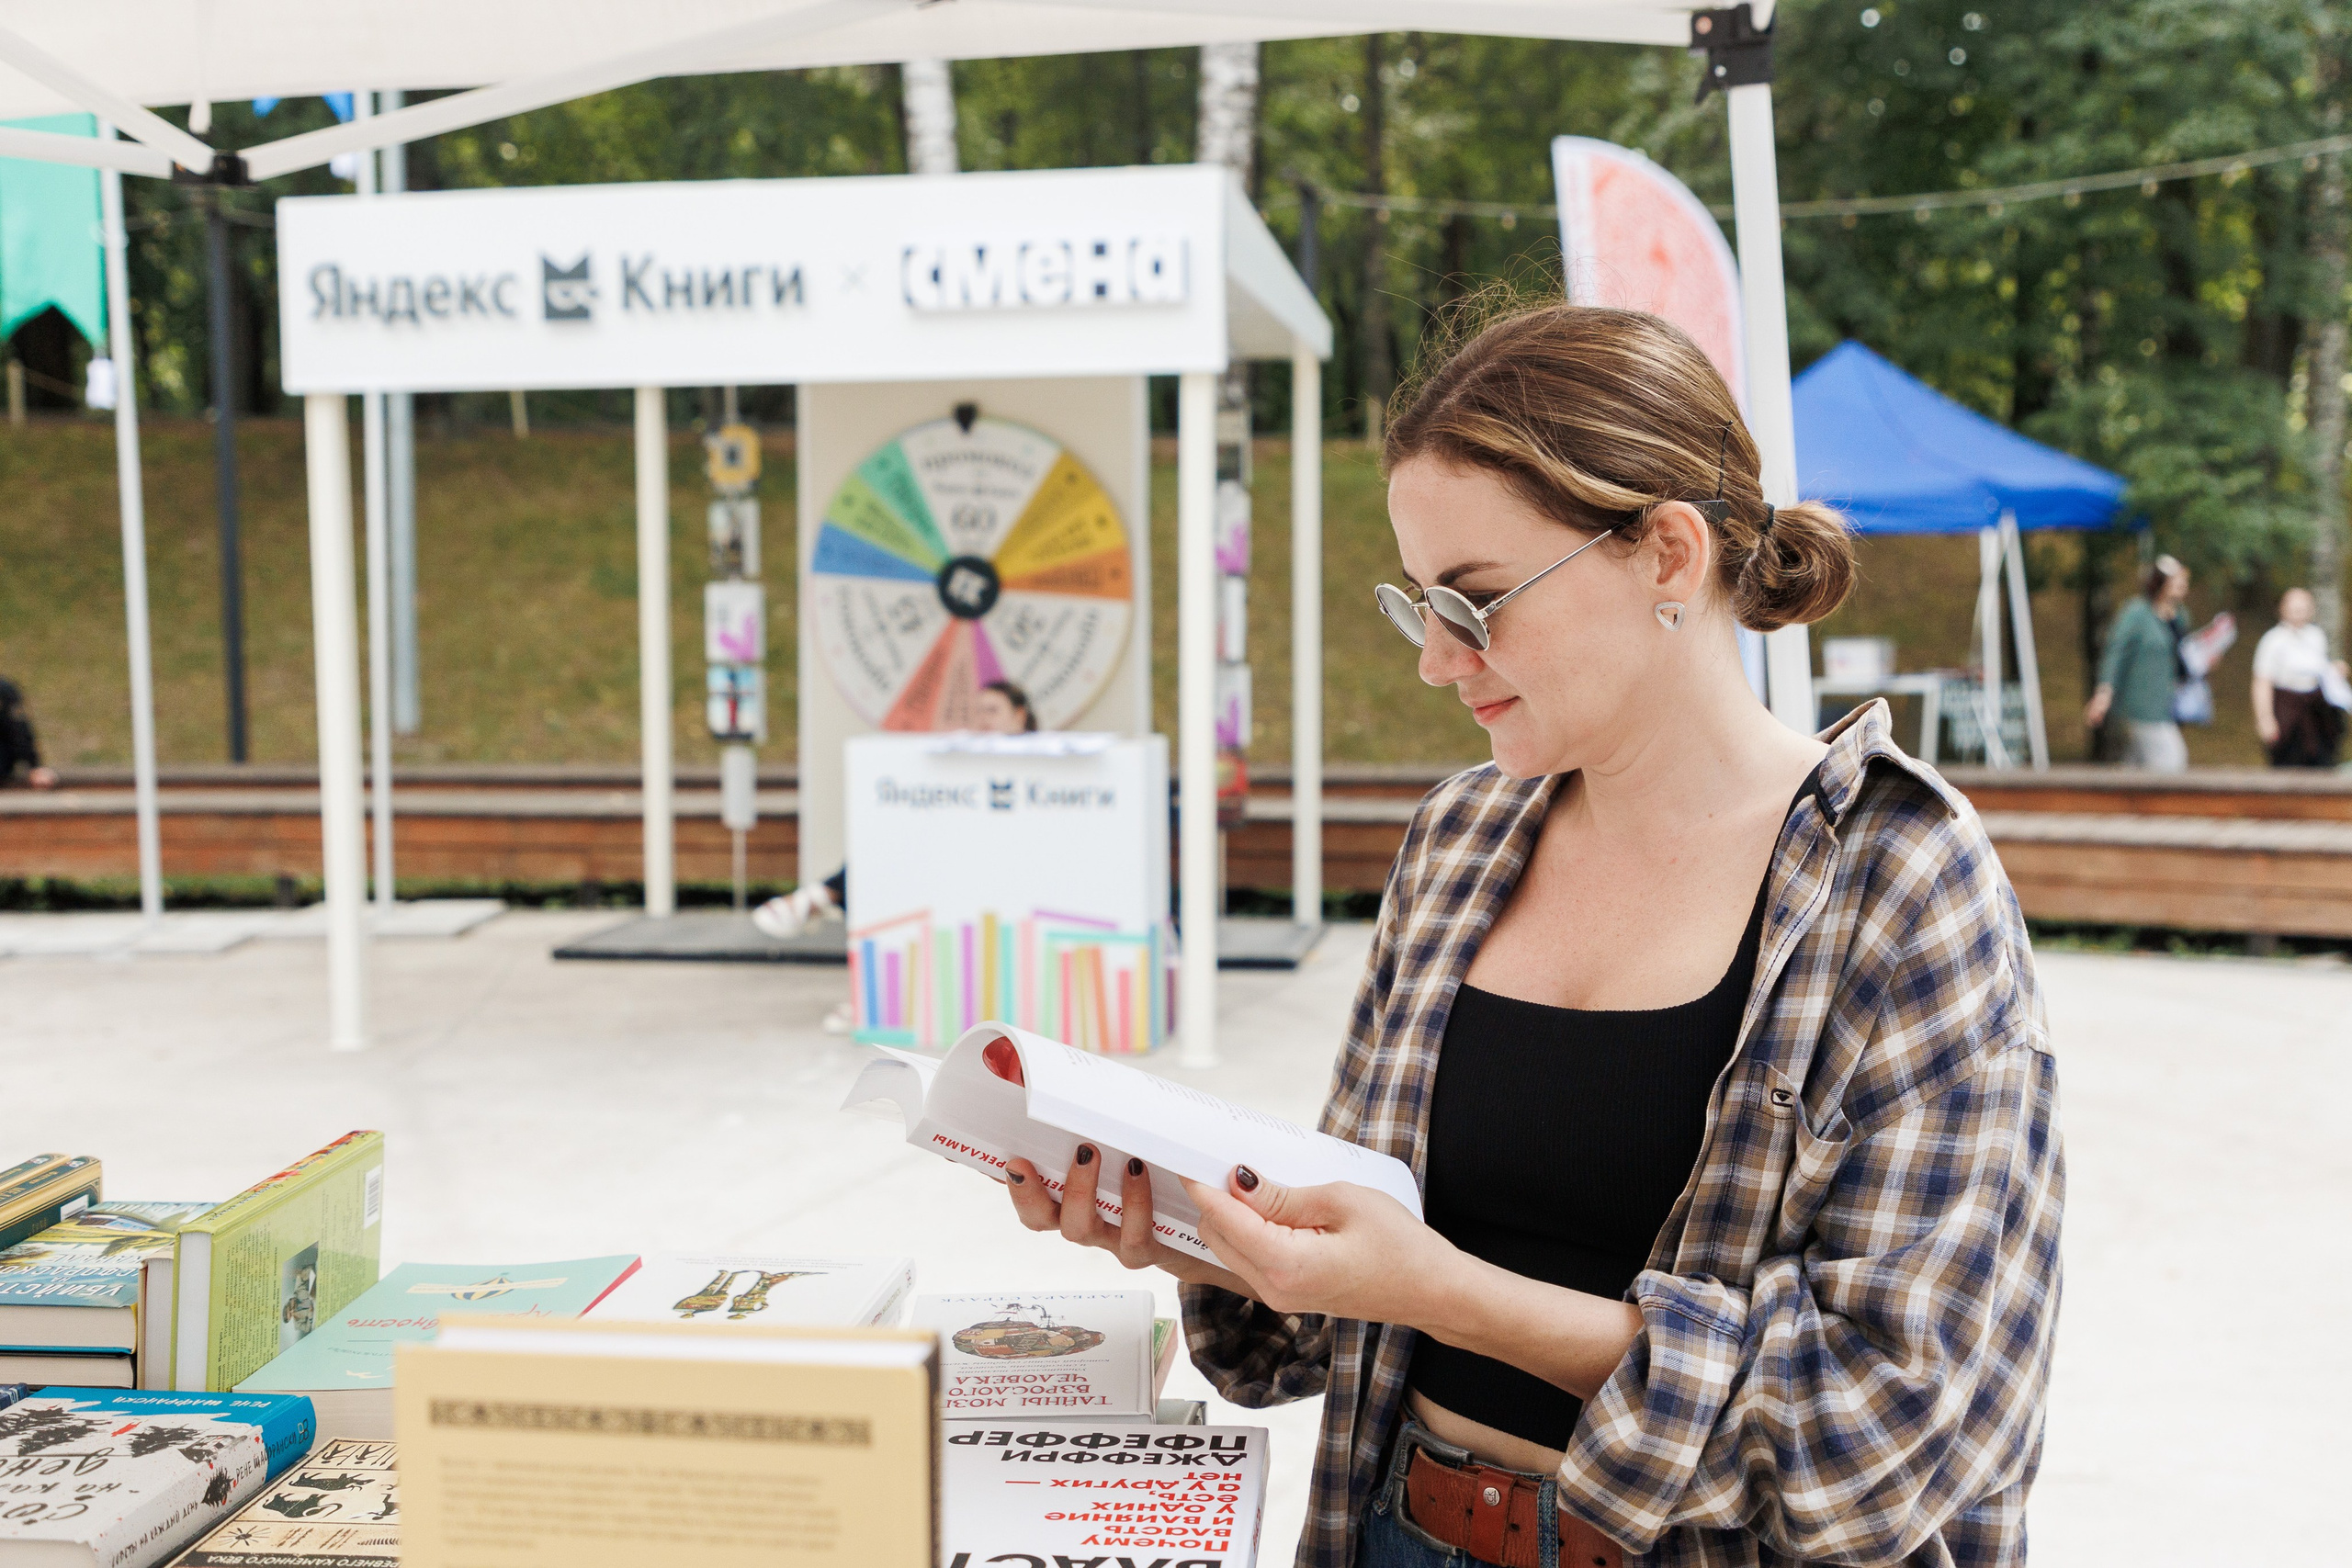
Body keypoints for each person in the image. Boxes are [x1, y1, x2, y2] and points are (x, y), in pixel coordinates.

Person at [996, 303, 2062, 1568]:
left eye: (1478, 600)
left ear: (1668, 553)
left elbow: (1890, 1426)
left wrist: (1444, 1289)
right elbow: (1350, 1284)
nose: (1441, 660)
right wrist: (1194, 1222)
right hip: (1398, 1526)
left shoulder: (1901, 881)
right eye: (1420, 604)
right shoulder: (1460, 840)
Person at [754, 680, 1039, 1030]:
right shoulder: (962, 760)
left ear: (1020, 716)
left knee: (893, 866)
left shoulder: (1042, 761)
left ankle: (818, 898)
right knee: (884, 864)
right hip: (947, 863)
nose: (983, 720)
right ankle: (869, 997)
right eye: (978, 711)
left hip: (1002, 868)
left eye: (993, 711)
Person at [2085, 556, 2191, 771]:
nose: (2183, 585)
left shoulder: (2180, 617)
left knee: (2135, 768)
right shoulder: (2137, 613)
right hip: (2142, 705)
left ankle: (2115, 803)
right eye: (2177, 579)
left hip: (2167, 705)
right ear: (2161, 582)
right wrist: (2104, 692)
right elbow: (2115, 652)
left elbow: (2181, 658)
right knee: (2172, 760)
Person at [2251, 586, 2346, 768]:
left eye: (2303, 608)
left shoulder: (2316, 636)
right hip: (2287, 711)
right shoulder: (2272, 640)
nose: (2299, 613)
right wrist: (2265, 719)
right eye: (2295, 608)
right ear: (2283, 608)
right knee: (2287, 762)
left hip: (2314, 711)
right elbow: (2262, 682)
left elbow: (2320, 671)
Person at [0, 678, 59, 789]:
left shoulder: (3, 691)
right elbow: (18, 731)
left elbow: (18, 731)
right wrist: (34, 765)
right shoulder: (4, 689)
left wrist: (34, 766)